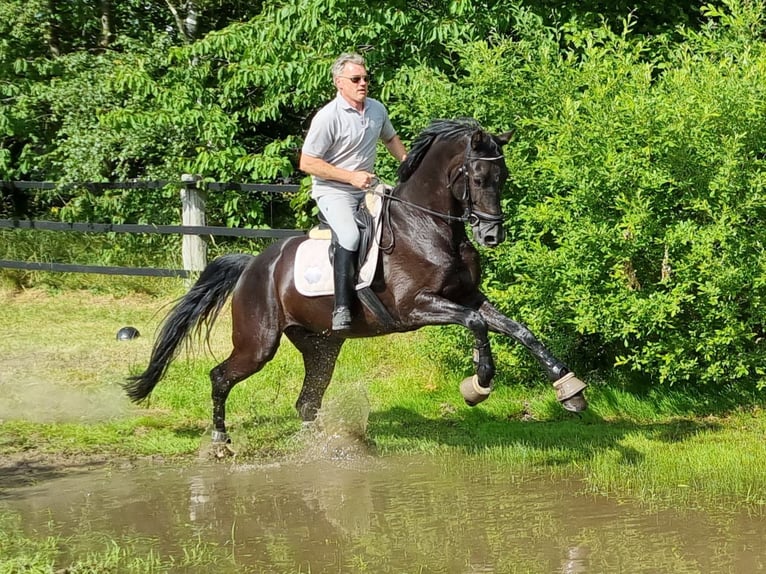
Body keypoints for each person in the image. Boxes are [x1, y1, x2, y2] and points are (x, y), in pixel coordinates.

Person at [300, 52, 407, 331]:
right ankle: (342, 307)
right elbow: (307, 162)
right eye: (356, 79)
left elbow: (391, 139)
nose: (363, 83)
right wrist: (350, 177)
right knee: (349, 235)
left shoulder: (376, 110)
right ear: (339, 82)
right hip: (334, 191)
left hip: (367, 187)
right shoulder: (328, 117)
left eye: (366, 78)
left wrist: (409, 166)